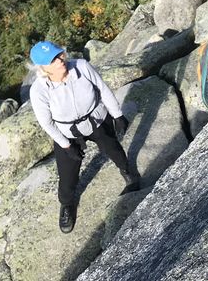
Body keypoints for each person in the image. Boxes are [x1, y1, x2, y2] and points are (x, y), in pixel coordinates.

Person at [29, 40, 140, 233]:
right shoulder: (39, 91)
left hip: (96, 119)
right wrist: (65, 146)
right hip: (68, 132)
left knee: (112, 147)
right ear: (43, 68)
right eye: (52, 60)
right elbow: (46, 123)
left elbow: (103, 89)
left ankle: (127, 172)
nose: (59, 61)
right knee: (67, 173)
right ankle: (66, 204)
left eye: (59, 55)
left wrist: (117, 115)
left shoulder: (81, 67)